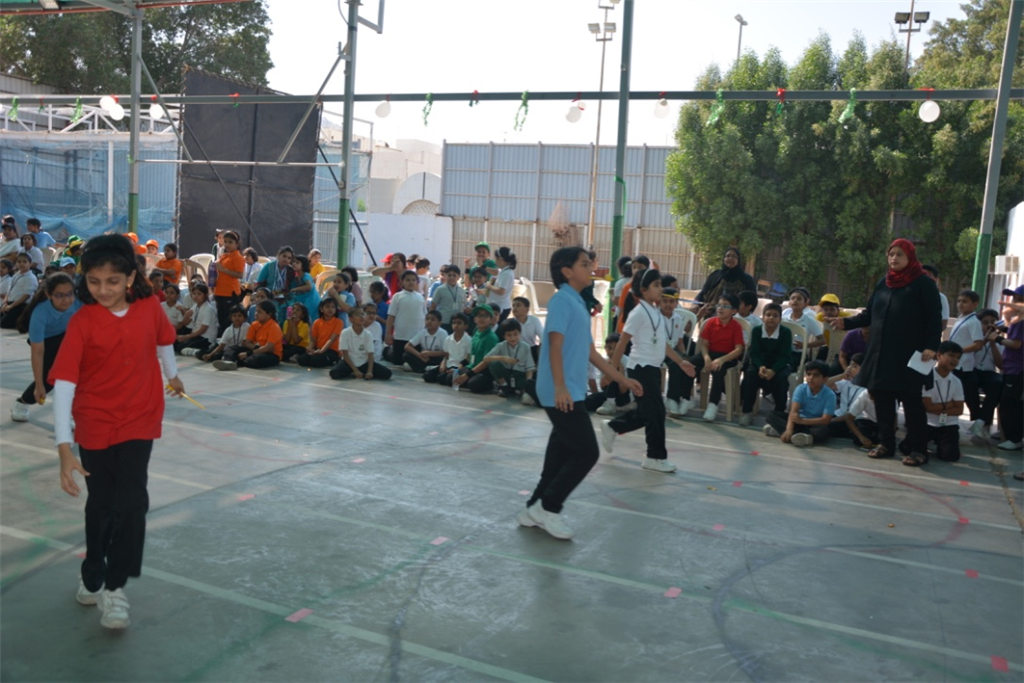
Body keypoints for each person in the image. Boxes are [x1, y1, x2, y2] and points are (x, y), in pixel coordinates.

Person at [49, 233, 185, 630]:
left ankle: (114, 586)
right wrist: (63, 447)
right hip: (95, 422)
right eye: (94, 281)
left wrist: (173, 376)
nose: (103, 289)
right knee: (102, 505)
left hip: (140, 418)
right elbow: (65, 384)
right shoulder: (83, 322)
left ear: (130, 278)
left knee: (133, 503)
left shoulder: (149, 307)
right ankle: (93, 566)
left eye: (112, 281)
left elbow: (164, 341)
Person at [519, 246, 643, 540]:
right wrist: (560, 386)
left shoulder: (577, 302)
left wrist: (621, 379)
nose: (591, 269)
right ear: (567, 272)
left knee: (560, 452)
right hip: (559, 390)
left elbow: (591, 352)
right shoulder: (562, 301)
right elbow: (555, 344)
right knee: (587, 452)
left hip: (570, 388)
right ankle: (549, 507)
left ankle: (534, 507)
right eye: (585, 264)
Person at [826, 238, 942, 466]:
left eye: (900, 254)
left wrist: (931, 346)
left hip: (911, 356)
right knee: (883, 400)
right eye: (891, 254)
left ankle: (919, 449)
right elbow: (869, 315)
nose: (894, 258)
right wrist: (845, 323)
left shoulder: (923, 284)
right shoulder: (884, 283)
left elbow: (934, 318)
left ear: (910, 257)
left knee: (912, 403)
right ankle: (886, 444)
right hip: (882, 353)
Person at [603, 269, 696, 472]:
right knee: (656, 413)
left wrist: (681, 362)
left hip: (652, 369)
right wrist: (613, 373)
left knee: (648, 412)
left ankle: (613, 426)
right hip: (640, 369)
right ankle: (654, 457)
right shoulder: (637, 313)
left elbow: (663, 344)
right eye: (656, 285)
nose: (661, 289)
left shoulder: (656, 312)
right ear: (644, 290)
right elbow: (622, 343)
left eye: (660, 285)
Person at [9, 273, 80, 422]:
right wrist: (39, 385)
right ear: (49, 294)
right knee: (48, 381)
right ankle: (22, 403)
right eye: (59, 295)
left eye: (69, 294)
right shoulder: (40, 313)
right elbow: (38, 351)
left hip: (67, 336)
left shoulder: (78, 302)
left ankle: (75, 412)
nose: (66, 300)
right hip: (45, 342)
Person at [675, 292, 745, 421]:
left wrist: (721, 360)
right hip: (710, 353)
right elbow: (704, 344)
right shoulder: (711, 322)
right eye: (719, 305)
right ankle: (686, 398)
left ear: (734, 311)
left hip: (727, 357)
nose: (720, 308)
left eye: (725, 306)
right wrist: (707, 358)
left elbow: (738, 350)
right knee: (688, 365)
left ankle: (713, 404)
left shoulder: (736, 326)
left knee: (718, 371)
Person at [739, 302, 793, 426]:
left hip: (779, 364)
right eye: (768, 315)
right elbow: (754, 353)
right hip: (761, 363)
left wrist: (773, 370)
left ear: (780, 319)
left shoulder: (785, 332)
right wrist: (760, 367)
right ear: (762, 317)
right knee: (750, 375)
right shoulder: (757, 330)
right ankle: (747, 412)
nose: (771, 318)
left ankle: (778, 414)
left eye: (775, 315)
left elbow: (785, 356)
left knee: (781, 379)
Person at [763, 360, 835, 447]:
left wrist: (802, 421)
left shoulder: (830, 395)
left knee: (823, 430)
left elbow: (826, 420)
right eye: (808, 374)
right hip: (797, 421)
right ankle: (795, 435)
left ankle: (785, 433)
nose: (811, 378)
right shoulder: (801, 389)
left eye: (816, 375)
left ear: (825, 379)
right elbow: (794, 411)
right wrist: (789, 429)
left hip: (813, 424)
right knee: (771, 415)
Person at [919, 341, 966, 463]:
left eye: (958, 357)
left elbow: (959, 410)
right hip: (927, 422)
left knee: (950, 456)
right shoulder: (927, 376)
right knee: (907, 448)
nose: (955, 360)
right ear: (939, 355)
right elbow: (928, 407)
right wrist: (950, 404)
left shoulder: (956, 381)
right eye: (951, 355)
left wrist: (940, 408)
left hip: (948, 424)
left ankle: (941, 443)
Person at [479, 318, 539, 405]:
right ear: (504, 336)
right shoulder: (500, 346)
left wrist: (528, 386)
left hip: (519, 375)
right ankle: (504, 386)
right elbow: (485, 358)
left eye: (515, 334)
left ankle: (520, 390)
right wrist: (503, 358)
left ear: (520, 333)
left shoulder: (525, 347)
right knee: (494, 363)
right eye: (509, 335)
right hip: (506, 374)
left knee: (533, 384)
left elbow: (529, 368)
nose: (513, 338)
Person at [992, 285, 1024, 451]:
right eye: (1014, 298)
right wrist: (1003, 329)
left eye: (1019, 299)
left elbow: (1016, 344)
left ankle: (1014, 438)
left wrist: (997, 339)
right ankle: (1009, 433)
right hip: (1012, 367)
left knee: (1009, 403)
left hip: (1017, 368)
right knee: (1008, 402)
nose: (1014, 302)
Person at [213, 299, 283, 371]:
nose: (256, 314)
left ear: (269, 315)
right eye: (256, 311)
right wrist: (256, 348)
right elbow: (247, 343)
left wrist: (248, 353)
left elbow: (268, 348)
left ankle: (237, 361)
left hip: (271, 354)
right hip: (256, 349)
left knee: (256, 359)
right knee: (232, 348)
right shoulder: (254, 324)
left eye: (259, 312)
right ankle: (228, 362)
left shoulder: (274, 327)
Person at [693, 247, 757, 321]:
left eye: (734, 256)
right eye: (728, 256)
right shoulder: (715, 275)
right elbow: (703, 293)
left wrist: (742, 315)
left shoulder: (747, 279)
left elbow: (752, 300)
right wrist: (695, 304)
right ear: (724, 258)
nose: (730, 258)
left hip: (736, 318)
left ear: (738, 260)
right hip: (711, 315)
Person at [329, 306, 392, 380]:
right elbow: (345, 354)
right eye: (358, 315)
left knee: (387, 373)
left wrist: (369, 371)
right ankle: (353, 371)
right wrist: (355, 370)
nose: (361, 317)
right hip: (349, 363)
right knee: (334, 373)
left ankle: (362, 372)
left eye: (363, 314)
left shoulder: (368, 334)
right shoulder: (345, 333)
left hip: (364, 363)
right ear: (351, 319)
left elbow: (370, 354)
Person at [824, 354, 873, 447]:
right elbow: (823, 385)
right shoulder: (847, 383)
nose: (849, 368)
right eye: (850, 364)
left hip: (853, 421)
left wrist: (831, 420)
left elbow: (850, 415)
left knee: (824, 427)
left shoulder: (866, 390)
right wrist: (841, 376)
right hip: (838, 415)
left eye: (854, 366)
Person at [970, 308, 1004, 440]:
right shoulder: (973, 337)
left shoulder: (999, 341)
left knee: (998, 383)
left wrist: (993, 343)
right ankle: (979, 418)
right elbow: (970, 353)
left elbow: (1000, 365)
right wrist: (984, 339)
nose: (989, 325)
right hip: (973, 369)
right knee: (970, 382)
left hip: (988, 372)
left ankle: (980, 422)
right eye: (985, 323)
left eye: (992, 322)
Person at [454, 304, 501, 393]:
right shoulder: (476, 332)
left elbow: (486, 362)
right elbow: (471, 354)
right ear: (475, 319)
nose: (482, 319)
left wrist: (467, 375)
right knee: (451, 378)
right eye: (479, 315)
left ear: (491, 319)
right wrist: (460, 366)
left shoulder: (491, 338)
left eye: (485, 316)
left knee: (473, 384)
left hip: (484, 371)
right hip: (472, 367)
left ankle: (492, 385)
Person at [384, 269, 426, 364]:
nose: (411, 282)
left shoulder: (420, 297)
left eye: (413, 280)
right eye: (408, 280)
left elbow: (425, 316)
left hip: (416, 336)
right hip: (401, 336)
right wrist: (388, 334)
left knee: (413, 359)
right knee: (398, 361)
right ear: (402, 282)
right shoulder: (397, 296)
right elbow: (391, 316)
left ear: (417, 282)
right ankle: (386, 350)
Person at [782, 287, 825, 370]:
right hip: (782, 352)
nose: (795, 300)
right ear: (789, 302)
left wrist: (805, 345)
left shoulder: (809, 320)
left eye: (799, 299)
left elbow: (822, 340)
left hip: (798, 354)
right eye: (792, 298)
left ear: (805, 303)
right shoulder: (783, 319)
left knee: (785, 367)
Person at [424, 312, 472, 386]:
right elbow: (446, 355)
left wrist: (458, 369)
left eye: (459, 323)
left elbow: (468, 358)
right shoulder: (448, 339)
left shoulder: (469, 340)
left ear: (465, 326)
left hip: (460, 367)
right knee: (427, 376)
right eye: (454, 323)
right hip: (449, 365)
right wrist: (443, 364)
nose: (456, 325)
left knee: (448, 379)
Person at [211, 230, 244, 335]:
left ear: (236, 244)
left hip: (230, 293)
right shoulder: (224, 255)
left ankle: (230, 339)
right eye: (225, 241)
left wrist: (223, 269)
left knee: (229, 319)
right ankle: (223, 339)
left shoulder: (238, 257)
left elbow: (239, 274)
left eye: (230, 242)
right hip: (219, 291)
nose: (227, 244)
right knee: (221, 318)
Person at [297, 298, 343, 369]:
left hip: (332, 350)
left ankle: (333, 360)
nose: (330, 309)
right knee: (301, 360)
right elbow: (313, 340)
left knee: (316, 360)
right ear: (321, 309)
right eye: (327, 307)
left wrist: (321, 351)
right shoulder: (317, 322)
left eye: (333, 307)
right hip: (318, 349)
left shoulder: (338, 322)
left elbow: (331, 340)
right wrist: (310, 349)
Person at [177, 283, 217, 356]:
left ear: (205, 295)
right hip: (197, 336)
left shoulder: (208, 309)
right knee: (176, 343)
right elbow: (185, 323)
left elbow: (202, 329)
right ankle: (198, 351)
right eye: (194, 293)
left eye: (199, 294)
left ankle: (200, 352)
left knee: (180, 347)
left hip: (206, 338)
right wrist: (186, 316)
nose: (195, 296)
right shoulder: (195, 306)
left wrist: (186, 336)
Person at [0, 252, 39, 328]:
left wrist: (11, 306)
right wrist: (5, 303)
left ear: (30, 264)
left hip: (21, 305)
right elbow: (9, 290)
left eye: (24, 262)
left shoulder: (31, 278)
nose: (21, 264)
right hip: (10, 303)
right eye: (19, 262)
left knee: (4, 324)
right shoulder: (16, 275)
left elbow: (26, 296)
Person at [479, 246, 516, 322]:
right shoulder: (504, 271)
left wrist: (489, 286)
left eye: (496, 259)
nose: (495, 261)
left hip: (501, 307)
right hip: (497, 305)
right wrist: (483, 266)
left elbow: (501, 291)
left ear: (501, 259)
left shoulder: (507, 273)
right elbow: (495, 272)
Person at [429, 264, 467, 332]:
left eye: (454, 275)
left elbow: (464, 305)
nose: (451, 277)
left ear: (458, 277)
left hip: (458, 323)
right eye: (449, 275)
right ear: (445, 276)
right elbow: (433, 306)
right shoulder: (440, 289)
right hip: (444, 322)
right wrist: (432, 320)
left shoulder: (461, 290)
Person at [511, 295, 544, 364]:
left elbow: (543, 337)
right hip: (516, 350)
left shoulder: (534, 320)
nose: (514, 308)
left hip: (531, 349)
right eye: (513, 306)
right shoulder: (511, 322)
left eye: (518, 305)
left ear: (527, 309)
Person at [922, 265, 949, 333]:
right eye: (923, 275)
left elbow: (943, 323)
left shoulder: (941, 298)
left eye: (929, 275)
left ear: (936, 279)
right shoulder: (910, 296)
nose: (926, 278)